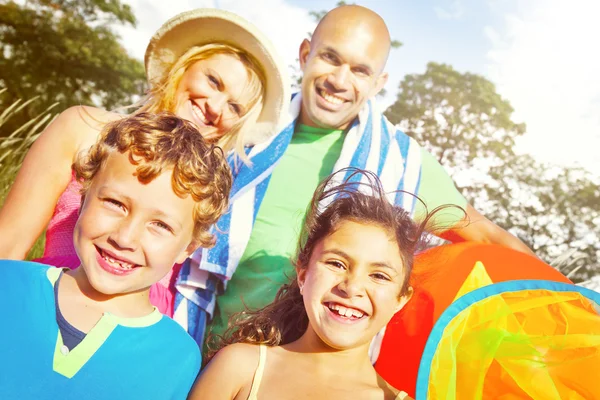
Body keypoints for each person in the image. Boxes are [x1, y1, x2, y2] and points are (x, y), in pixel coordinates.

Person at [178, 4, 536, 348]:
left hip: (315, 370)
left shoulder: (403, 162)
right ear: (305, 54)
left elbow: (487, 237)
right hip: (208, 346)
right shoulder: (246, 126)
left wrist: (577, 309)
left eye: (360, 70)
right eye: (329, 58)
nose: (338, 80)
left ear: (379, 82)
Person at [0, 8, 289, 315]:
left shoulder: (213, 188)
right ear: (185, 67)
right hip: (45, 307)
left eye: (234, 106)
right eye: (214, 82)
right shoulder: (83, 128)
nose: (216, 107)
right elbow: (10, 241)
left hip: (137, 338)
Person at [0, 112, 231, 399]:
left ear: (188, 248)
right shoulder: (7, 283)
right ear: (83, 197)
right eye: (115, 203)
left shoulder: (176, 358)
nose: (125, 238)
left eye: (160, 225)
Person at [189, 169, 436, 400]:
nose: (351, 288)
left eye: (379, 276)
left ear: (400, 299)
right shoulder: (240, 368)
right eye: (337, 264)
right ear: (303, 274)